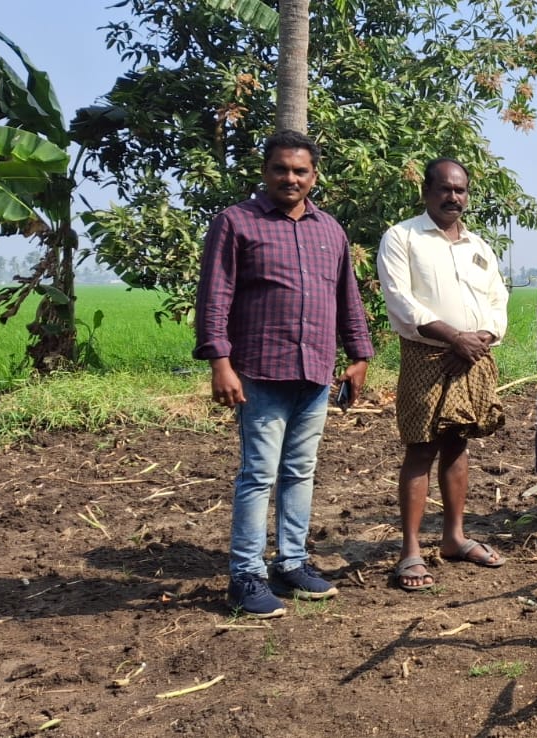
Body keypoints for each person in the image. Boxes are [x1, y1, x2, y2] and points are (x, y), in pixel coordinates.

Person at [194, 129, 374, 618]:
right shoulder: (236, 223)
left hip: (314, 371)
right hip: (259, 371)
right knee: (257, 473)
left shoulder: (330, 230)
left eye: (300, 171)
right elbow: (214, 298)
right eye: (281, 169)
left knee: (300, 471)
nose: (290, 178)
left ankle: (291, 563)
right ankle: (245, 576)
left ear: (313, 176)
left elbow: (347, 300)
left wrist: (358, 356)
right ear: (265, 172)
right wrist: (220, 362)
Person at [378, 158, 509, 591]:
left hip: (472, 356)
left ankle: (454, 537)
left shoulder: (479, 246)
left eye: (461, 190)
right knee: (421, 448)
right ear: (426, 192)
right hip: (427, 356)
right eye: (445, 189)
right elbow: (401, 301)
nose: (454, 197)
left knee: (457, 444)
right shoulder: (403, 238)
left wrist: (478, 338)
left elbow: (497, 300)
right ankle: (411, 551)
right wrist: (453, 337)